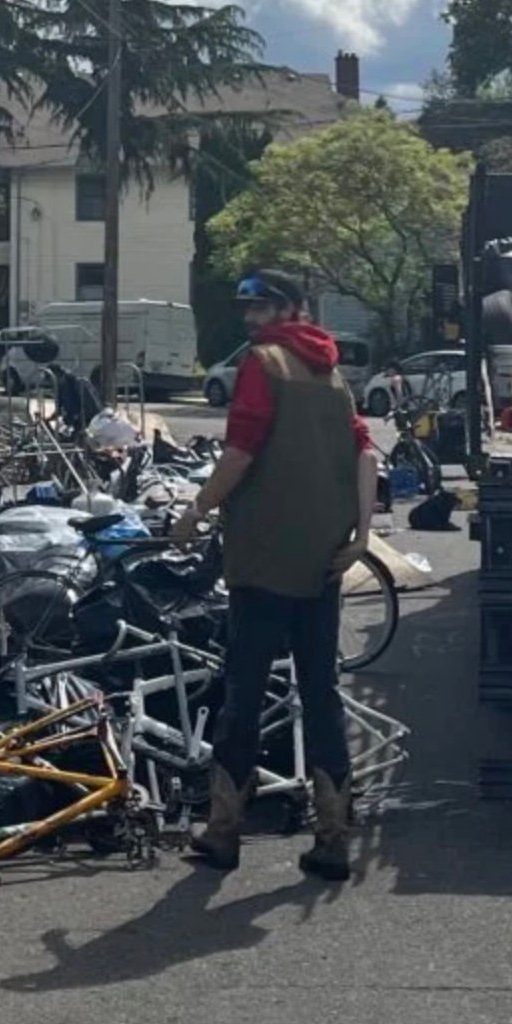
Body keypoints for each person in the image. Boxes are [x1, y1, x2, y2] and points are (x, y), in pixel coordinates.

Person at [168, 271, 378, 881]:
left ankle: (224, 831)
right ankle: (333, 837)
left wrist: (197, 508)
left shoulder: (264, 364)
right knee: (321, 692)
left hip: (262, 556)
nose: (251, 318)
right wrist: (361, 536)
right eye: (247, 309)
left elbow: (242, 451)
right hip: (323, 559)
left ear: (291, 307)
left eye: (261, 306)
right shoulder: (330, 371)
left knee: (244, 691)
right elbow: (364, 452)